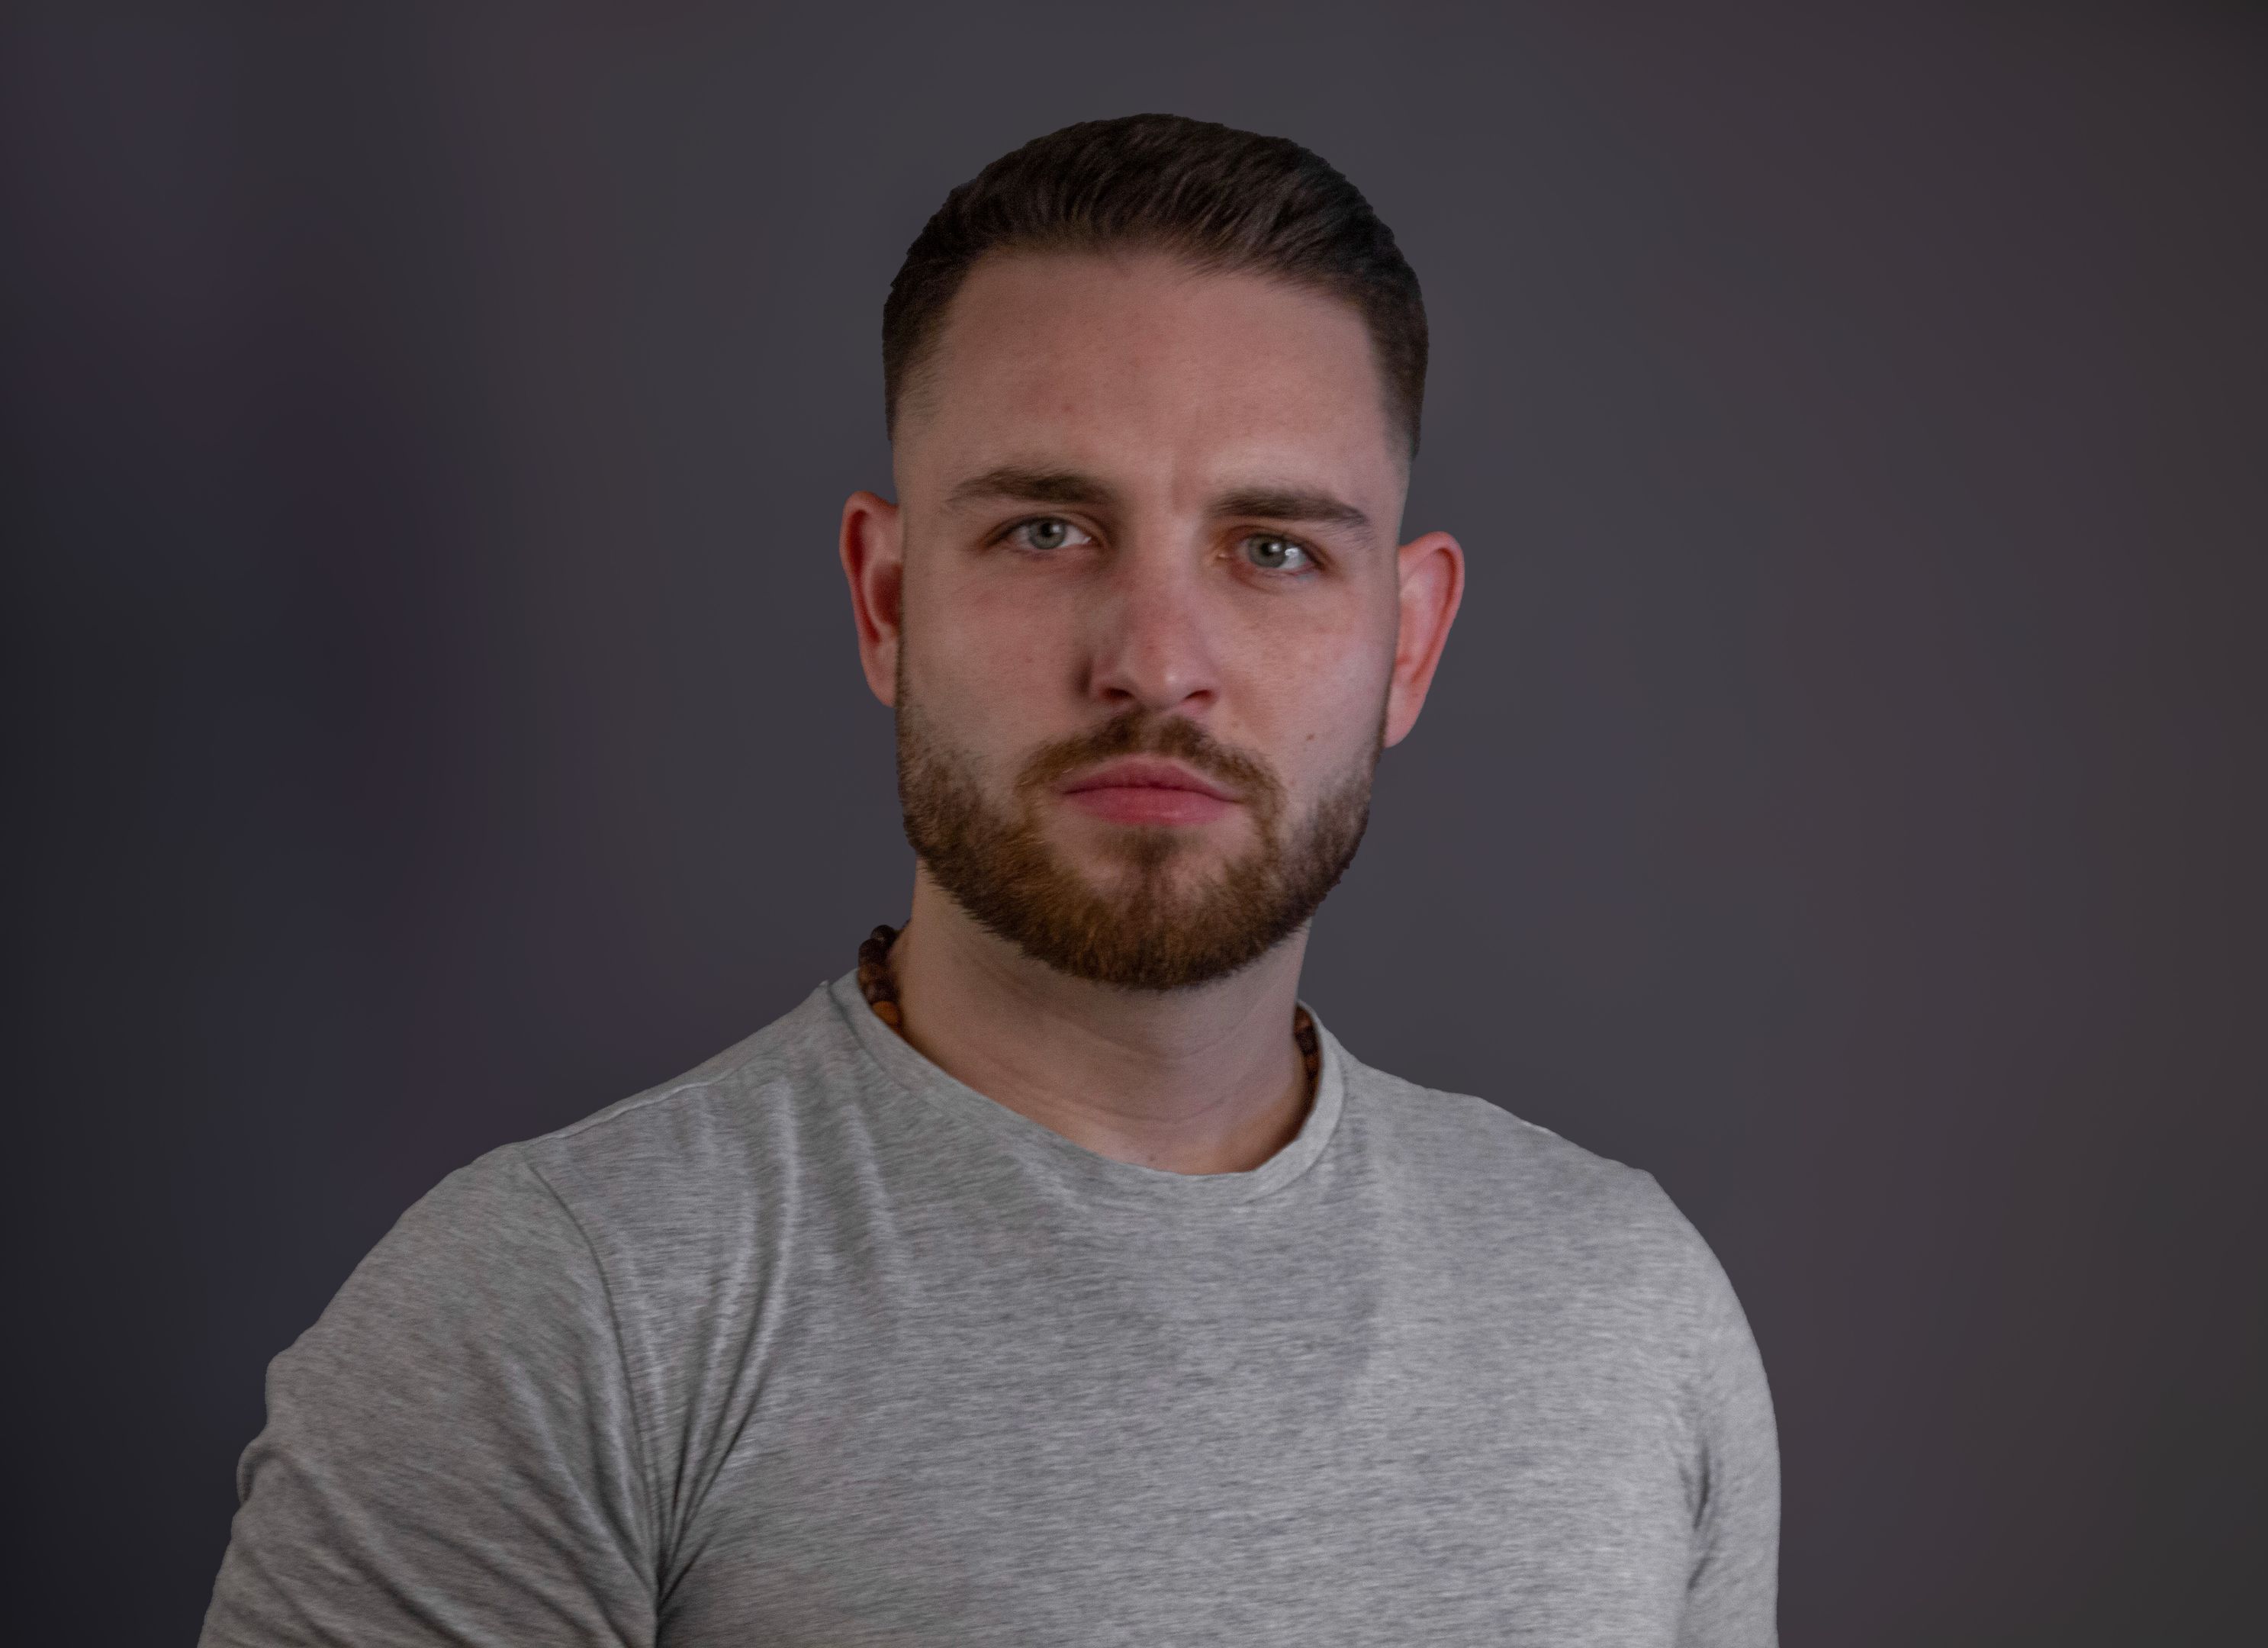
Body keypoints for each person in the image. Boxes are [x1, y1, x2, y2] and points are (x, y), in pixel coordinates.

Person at [201, 113, 1779, 1646]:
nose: (1155, 661)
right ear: (886, 603)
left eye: (1273, 550)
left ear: (1408, 643)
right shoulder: (556, 1310)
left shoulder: (1626, 1304)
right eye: (1046, 531)